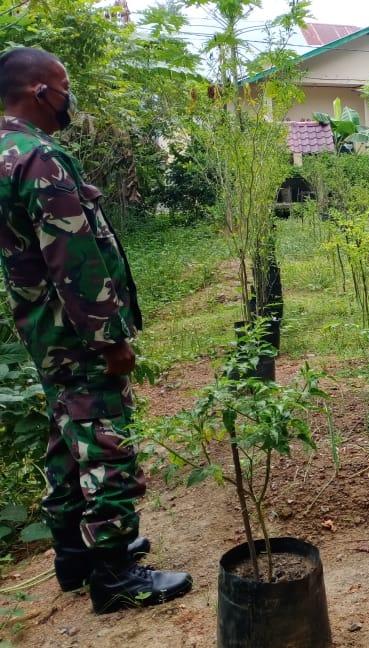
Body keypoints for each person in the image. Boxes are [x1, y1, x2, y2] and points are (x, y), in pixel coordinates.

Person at [0, 47, 192, 613]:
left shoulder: (5, 152)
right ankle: (115, 573)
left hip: (44, 330)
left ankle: (74, 554)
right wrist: (110, 337)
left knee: (67, 433)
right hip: (77, 332)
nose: (68, 97)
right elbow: (73, 257)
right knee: (106, 439)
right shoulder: (38, 159)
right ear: (39, 91)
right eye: (63, 86)